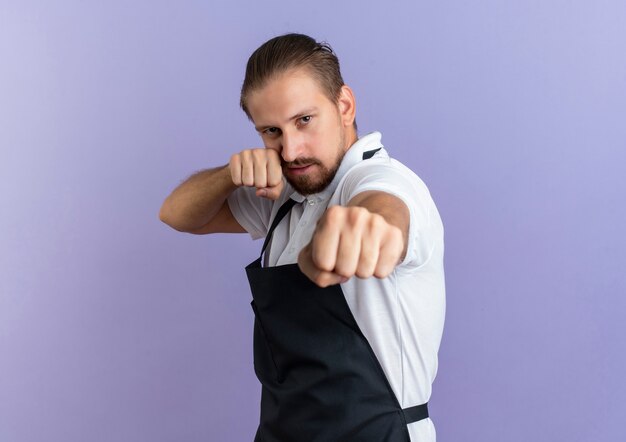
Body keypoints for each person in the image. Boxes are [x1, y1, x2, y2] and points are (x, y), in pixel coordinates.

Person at [159, 33, 445, 442]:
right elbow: (176, 213)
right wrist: (230, 174)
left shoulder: (384, 181)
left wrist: (365, 229)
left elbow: (384, 209)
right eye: (271, 131)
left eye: (304, 121)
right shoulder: (286, 197)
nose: (291, 150)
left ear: (344, 106)